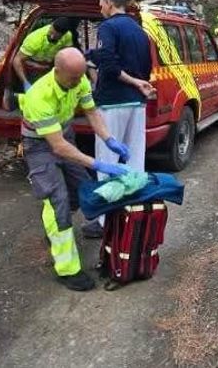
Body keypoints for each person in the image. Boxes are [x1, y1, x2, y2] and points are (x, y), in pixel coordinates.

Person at [19, 48, 132, 291]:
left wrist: (109, 139)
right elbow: (57, 147)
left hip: (64, 134)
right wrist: (98, 163)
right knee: (56, 199)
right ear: (57, 71)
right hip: (39, 145)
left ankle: (59, 228)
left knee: (81, 189)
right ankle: (67, 268)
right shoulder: (39, 96)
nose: (78, 82)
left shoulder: (77, 79)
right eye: (73, 78)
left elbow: (91, 111)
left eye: (80, 76)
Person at [92, 0, 154, 176]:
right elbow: (146, 65)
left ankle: (108, 200)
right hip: (137, 104)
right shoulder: (140, 30)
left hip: (113, 103)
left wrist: (134, 82)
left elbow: (109, 65)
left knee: (107, 158)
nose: (100, 8)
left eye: (101, 4)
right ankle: (135, 200)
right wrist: (138, 83)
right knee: (135, 158)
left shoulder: (107, 27)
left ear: (110, 3)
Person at [13, 17, 79, 91]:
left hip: (50, 67)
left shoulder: (67, 36)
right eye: (51, 33)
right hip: (33, 68)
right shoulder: (35, 39)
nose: (52, 36)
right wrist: (25, 82)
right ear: (51, 27)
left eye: (56, 37)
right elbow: (17, 60)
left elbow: (68, 52)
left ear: (63, 35)